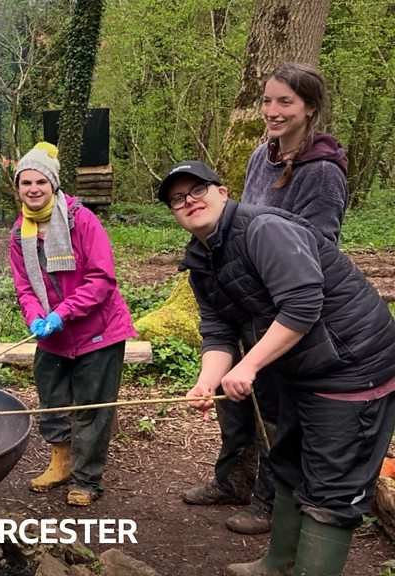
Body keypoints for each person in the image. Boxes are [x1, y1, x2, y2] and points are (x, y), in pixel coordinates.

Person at [159, 160, 395, 576]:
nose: (189, 201)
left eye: (197, 190)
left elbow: (303, 305)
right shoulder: (201, 260)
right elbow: (217, 332)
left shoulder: (263, 228)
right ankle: (277, 563)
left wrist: (248, 366)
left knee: (331, 489)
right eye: (178, 199)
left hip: (353, 365)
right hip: (296, 368)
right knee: (287, 460)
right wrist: (206, 381)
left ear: (223, 191)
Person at [182, 63, 350, 536]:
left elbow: (319, 247)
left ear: (309, 107)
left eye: (285, 102)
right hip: (240, 295)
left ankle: (268, 501)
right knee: (229, 394)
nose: (272, 112)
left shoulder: (321, 171)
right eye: (268, 101)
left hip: (283, 308)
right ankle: (232, 479)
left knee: (273, 409)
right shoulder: (263, 154)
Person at [8, 142, 136, 506]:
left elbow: (101, 279)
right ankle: (60, 463)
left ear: (53, 185)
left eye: (40, 182)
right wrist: (34, 315)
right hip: (52, 334)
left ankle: (87, 479)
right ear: (17, 188)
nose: (33, 189)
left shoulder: (82, 220)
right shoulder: (19, 234)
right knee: (51, 398)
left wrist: (62, 313)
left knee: (93, 405)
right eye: (25, 183)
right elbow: (23, 286)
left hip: (98, 331)